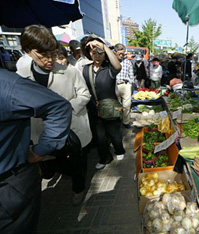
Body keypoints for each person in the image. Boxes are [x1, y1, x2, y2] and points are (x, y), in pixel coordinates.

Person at [17, 25, 92, 205]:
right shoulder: (21, 76)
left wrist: (66, 107)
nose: (50, 60)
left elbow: (84, 94)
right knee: (48, 162)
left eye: (53, 53)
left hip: (72, 128)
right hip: (40, 133)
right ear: (28, 51)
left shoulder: (69, 71)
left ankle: (78, 189)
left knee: (77, 163)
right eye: (43, 55)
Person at [0, 68, 71, 233]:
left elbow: (58, 107)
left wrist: (43, 148)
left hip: (8, 187)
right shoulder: (21, 69)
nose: (47, 59)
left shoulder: (7, 83)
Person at [82, 37, 125, 169]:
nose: (97, 55)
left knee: (114, 133)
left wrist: (103, 46)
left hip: (110, 107)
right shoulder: (85, 69)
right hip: (94, 108)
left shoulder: (109, 69)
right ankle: (105, 158)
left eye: (100, 52)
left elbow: (118, 65)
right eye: (94, 52)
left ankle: (119, 150)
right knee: (100, 137)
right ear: (89, 53)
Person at [113, 43, 134, 128]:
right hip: (115, 86)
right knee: (117, 106)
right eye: (119, 54)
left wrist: (130, 84)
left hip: (125, 86)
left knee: (127, 105)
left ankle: (126, 122)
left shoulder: (128, 62)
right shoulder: (111, 62)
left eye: (123, 54)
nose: (121, 55)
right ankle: (117, 121)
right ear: (115, 52)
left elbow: (131, 75)